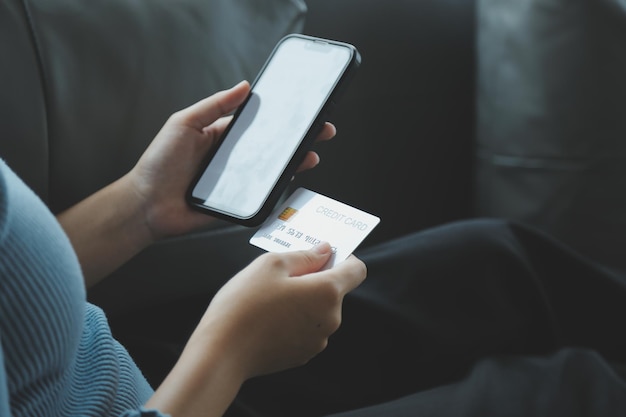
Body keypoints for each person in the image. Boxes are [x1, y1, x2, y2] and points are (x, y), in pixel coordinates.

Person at [1, 80, 625, 417]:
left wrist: (141, 205)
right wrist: (231, 352)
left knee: (496, 260)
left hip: (103, 363)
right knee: (573, 392)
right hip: (179, 398)